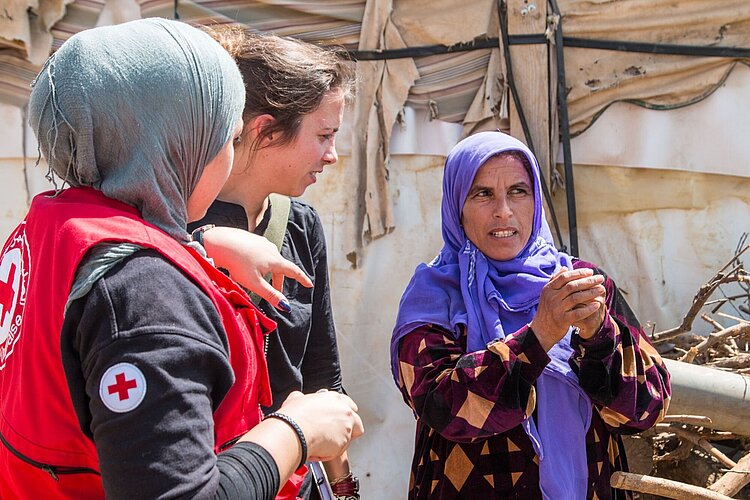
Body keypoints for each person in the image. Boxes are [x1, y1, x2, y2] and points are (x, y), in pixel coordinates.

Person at [0, 18, 363, 499]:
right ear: (176, 141)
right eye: (223, 134)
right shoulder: (144, 291)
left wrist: (198, 244)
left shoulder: (42, 230)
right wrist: (293, 431)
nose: (231, 154)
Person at [390, 131, 671, 499]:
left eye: (518, 191)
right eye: (483, 193)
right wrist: (538, 337)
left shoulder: (580, 283)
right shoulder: (435, 297)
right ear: (457, 206)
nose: (503, 211)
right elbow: (443, 410)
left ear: (536, 200)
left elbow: (648, 408)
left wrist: (599, 336)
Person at [189, 27, 359, 499]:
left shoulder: (301, 226)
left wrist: (344, 488)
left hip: (296, 481)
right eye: (323, 135)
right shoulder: (173, 228)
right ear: (264, 131)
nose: (333, 154)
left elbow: (325, 380)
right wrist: (204, 241)